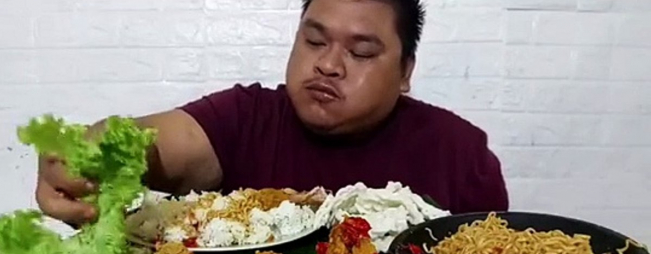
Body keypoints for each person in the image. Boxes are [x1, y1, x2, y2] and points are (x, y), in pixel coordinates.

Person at [36, 0, 509, 227]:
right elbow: (155, 142)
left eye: (361, 52)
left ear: (406, 71)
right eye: (314, 40)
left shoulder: (460, 153)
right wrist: (88, 149)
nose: (327, 64)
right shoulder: (246, 117)